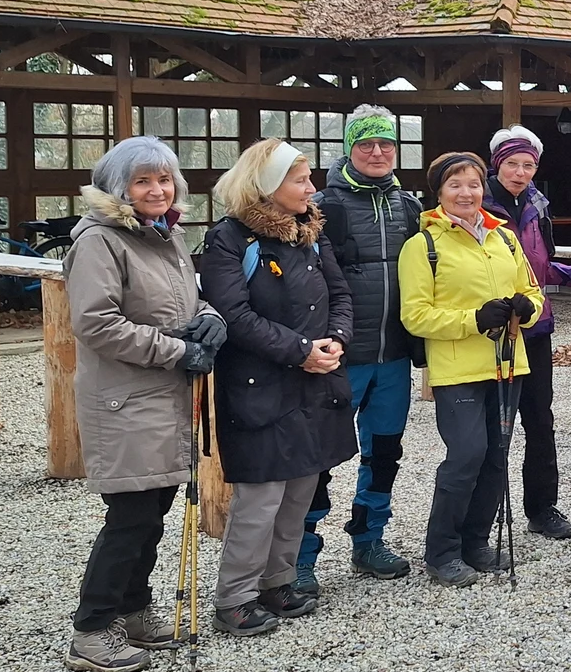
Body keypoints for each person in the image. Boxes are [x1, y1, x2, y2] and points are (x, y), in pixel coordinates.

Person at [62, 136, 224, 672]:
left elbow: (188, 299)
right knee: (130, 515)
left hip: (163, 395)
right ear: (119, 188)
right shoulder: (100, 241)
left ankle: (132, 609)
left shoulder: (165, 236)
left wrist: (211, 320)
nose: (157, 189)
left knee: (152, 511)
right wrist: (178, 350)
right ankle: (92, 628)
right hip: (126, 398)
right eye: (143, 181)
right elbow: (96, 323)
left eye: (164, 179)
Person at [201, 139, 357, 635]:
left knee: (300, 488)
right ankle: (235, 598)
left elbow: (340, 293)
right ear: (267, 187)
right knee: (261, 496)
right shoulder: (229, 239)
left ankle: (277, 582)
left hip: (315, 383)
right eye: (301, 179)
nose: (312, 187)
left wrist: (335, 340)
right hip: (260, 385)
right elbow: (235, 314)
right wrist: (300, 351)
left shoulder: (309, 232)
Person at [398, 151, 545, 587]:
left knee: (496, 458)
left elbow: (533, 292)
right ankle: (441, 550)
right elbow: (415, 316)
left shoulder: (504, 239)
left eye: (474, 184)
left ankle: (476, 542)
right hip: (458, 368)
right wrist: (473, 320)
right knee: (466, 456)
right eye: (455, 185)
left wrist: (527, 308)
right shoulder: (422, 246)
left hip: (506, 364)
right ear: (439, 192)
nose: (466, 193)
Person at [294, 105, 422, 595]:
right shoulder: (323, 206)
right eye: (366, 143)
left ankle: (370, 539)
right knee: (321, 456)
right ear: (349, 147)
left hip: (393, 352)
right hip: (341, 353)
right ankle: (302, 554)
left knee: (385, 451)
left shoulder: (408, 205)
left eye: (385, 143)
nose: (376, 152)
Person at [483, 124, 571, 540]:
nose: (520, 172)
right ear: (496, 164)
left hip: (536, 327)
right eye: (512, 163)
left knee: (540, 420)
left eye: (528, 165)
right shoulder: (477, 204)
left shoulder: (538, 205)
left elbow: (539, 263)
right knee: (491, 426)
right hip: (490, 330)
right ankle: (482, 513)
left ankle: (542, 506)